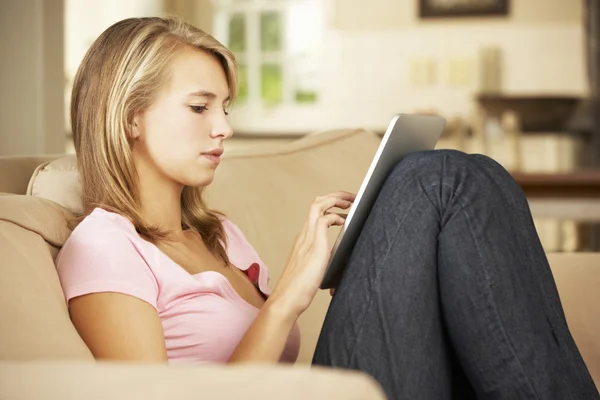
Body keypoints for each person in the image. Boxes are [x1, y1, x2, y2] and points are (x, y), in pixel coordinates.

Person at [56, 17, 599, 399]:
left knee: (476, 173)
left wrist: (383, 277)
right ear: (130, 118)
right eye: (199, 107)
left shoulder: (218, 234)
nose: (222, 129)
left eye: (224, 108)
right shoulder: (105, 244)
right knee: (437, 178)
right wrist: (286, 299)